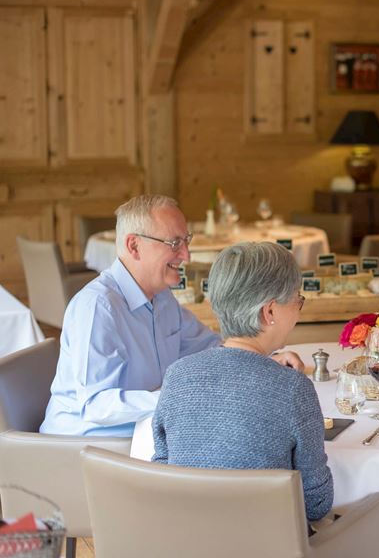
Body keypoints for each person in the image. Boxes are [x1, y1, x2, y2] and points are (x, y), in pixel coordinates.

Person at [39, 194, 304, 437]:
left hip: (144, 434)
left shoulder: (162, 297)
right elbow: (95, 406)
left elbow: (213, 348)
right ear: (134, 246)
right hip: (86, 448)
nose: (186, 255)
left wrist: (267, 361)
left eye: (186, 241)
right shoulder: (98, 306)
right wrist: (180, 395)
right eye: (174, 243)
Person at [151, 242, 333, 521]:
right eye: (298, 299)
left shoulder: (177, 376)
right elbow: (316, 504)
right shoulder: (293, 389)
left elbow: (163, 472)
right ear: (269, 312)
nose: (299, 308)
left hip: (184, 542)